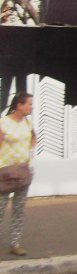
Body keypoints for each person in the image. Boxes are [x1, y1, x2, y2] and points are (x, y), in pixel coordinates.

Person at [0, 92, 35, 256]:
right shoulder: (4, 123)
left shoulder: (27, 122)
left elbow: (33, 137)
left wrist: (30, 154)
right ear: (19, 105)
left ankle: (15, 244)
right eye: (29, 104)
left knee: (19, 210)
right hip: (4, 173)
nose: (31, 107)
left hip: (23, 172)